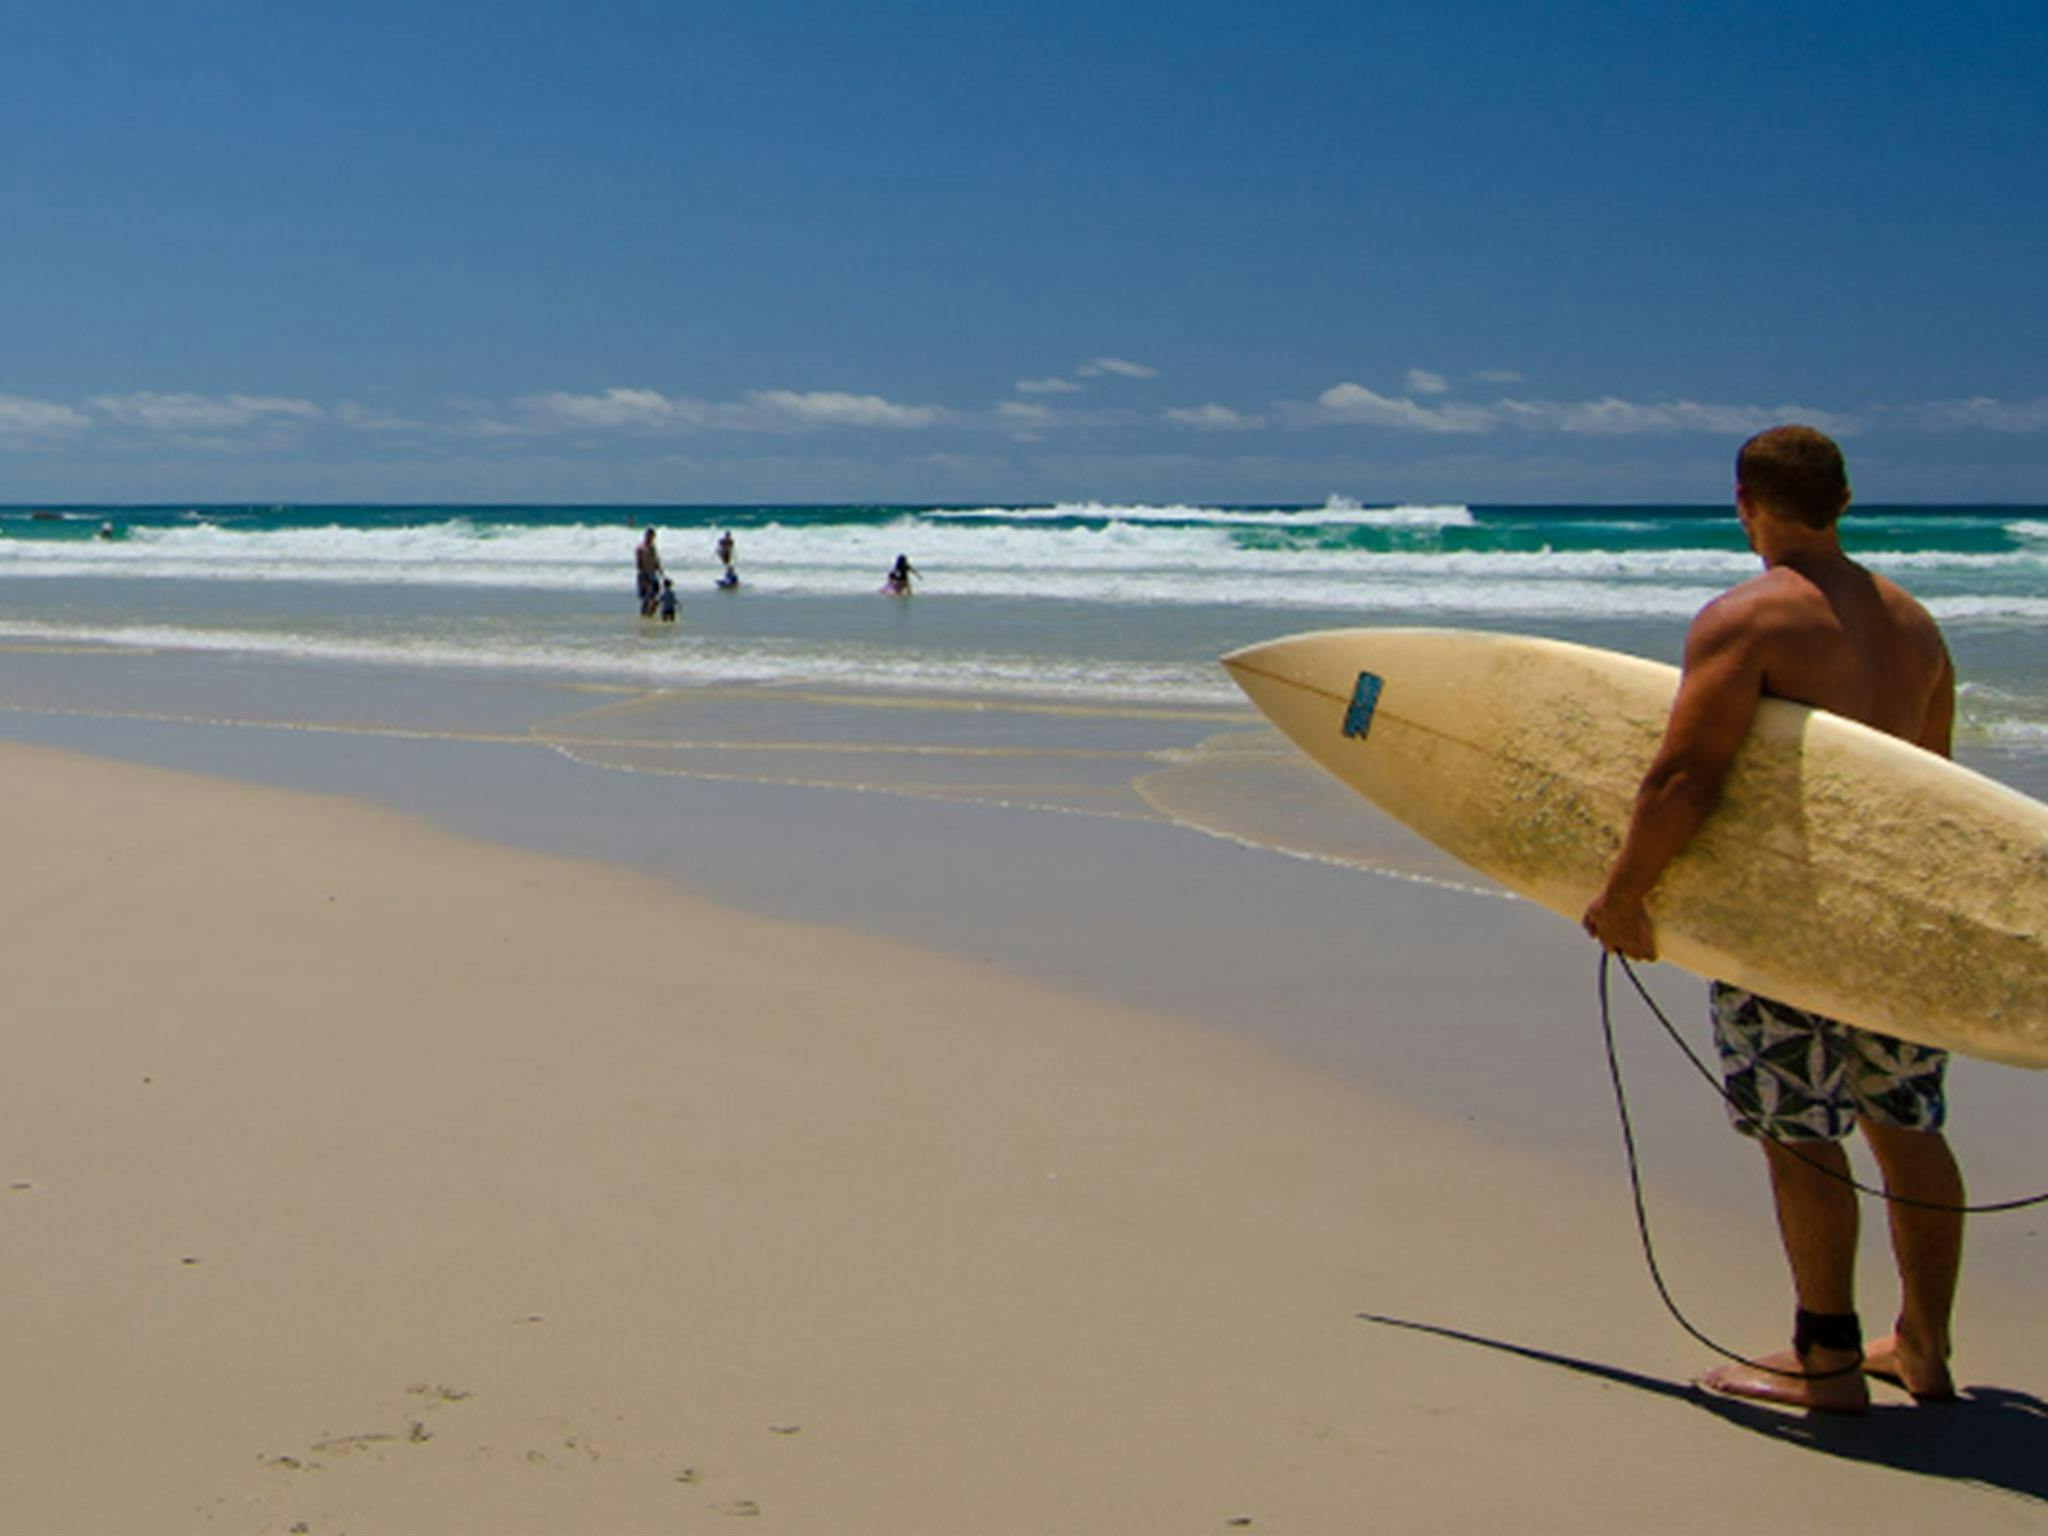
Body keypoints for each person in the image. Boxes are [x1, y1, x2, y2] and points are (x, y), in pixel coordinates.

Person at [1582, 426, 1964, 1414]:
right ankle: (1920, 1347)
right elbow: (1936, 797)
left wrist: (1625, 890)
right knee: (1905, 1125)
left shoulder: (1746, 619)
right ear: (1840, 500)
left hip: (1785, 926)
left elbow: (1684, 774)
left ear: (1745, 502)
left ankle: (1825, 1361)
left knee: (1798, 1134)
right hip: (1895, 921)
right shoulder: (1916, 627)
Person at [635, 528, 664, 616]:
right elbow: (639, 564)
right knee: (646, 598)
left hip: (652, 574)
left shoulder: (652, 547)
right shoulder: (640, 548)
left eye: (653, 537)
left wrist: (660, 570)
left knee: (655, 596)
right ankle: (644, 615)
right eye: (650, 536)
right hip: (644, 574)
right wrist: (643, 577)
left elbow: (655, 560)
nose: (651, 538)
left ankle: (649, 614)